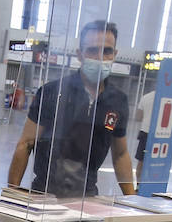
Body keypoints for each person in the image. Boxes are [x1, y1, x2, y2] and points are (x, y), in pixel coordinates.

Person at [8, 19, 135, 199]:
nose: (100, 57)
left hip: (87, 197)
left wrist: (132, 201)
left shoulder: (117, 100)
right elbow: (26, 143)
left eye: (106, 51)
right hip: (44, 195)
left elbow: (120, 154)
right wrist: (12, 194)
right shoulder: (53, 92)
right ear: (80, 54)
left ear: (114, 54)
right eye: (92, 50)